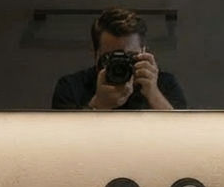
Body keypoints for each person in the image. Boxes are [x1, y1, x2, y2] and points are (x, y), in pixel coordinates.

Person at [50, 7, 188, 110]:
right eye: (111, 57)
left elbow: (183, 139)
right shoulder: (71, 87)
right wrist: (98, 105)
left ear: (144, 52)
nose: (120, 64)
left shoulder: (164, 84)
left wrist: (153, 94)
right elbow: (65, 142)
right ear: (95, 53)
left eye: (130, 56)